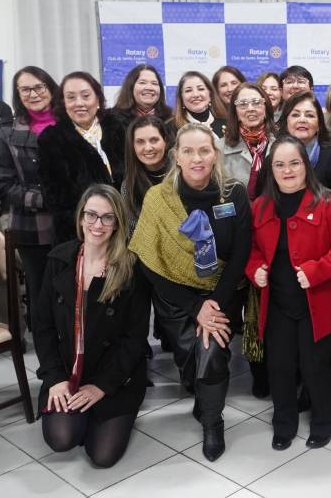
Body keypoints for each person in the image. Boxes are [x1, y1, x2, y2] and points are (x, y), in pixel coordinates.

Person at [129, 123, 251, 461]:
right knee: (190, 364)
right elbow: (148, 261)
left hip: (222, 293)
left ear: (215, 155)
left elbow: (241, 253)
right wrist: (195, 306)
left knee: (211, 350)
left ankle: (213, 422)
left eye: (204, 150)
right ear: (177, 157)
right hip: (175, 297)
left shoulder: (234, 193)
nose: (197, 158)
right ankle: (203, 400)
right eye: (188, 151)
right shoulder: (158, 198)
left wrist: (213, 303)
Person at [246, 136, 331, 450]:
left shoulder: (329, 201)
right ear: (271, 169)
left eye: (294, 163)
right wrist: (254, 269)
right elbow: (251, 249)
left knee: (316, 366)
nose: (287, 170)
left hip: (318, 303)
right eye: (279, 164)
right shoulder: (260, 206)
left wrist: (317, 270)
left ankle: (325, 421)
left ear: (306, 165)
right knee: (279, 366)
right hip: (278, 302)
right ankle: (284, 423)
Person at [32, 185, 150, 468]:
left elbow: (134, 339)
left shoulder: (131, 269)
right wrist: (55, 379)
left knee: (103, 456)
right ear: (81, 217)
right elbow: (42, 325)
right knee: (62, 438)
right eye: (92, 215)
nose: (98, 225)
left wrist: (101, 387)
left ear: (117, 223)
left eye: (108, 217)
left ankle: (108, 411)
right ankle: (81, 412)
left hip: (114, 375)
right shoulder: (59, 260)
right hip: (68, 370)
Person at [216, 82, 275, 397]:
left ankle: (269, 369)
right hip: (234, 241)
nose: (250, 109)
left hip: (273, 239)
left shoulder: (280, 144)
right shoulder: (219, 148)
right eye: (243, 104)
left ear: (266, 105)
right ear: (234, 110)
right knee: (236, 308)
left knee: (269, 308)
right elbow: (216, 196)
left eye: (256, 102)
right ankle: (229, 373)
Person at [0, 65, 60, 328]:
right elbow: (1, 185)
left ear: (50, 88)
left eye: (39, 87)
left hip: (71, 223)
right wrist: (41, 199)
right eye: (25, 89)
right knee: (40, 291)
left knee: (70, 289)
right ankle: (46, 346)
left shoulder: (69, 123)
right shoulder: (7, 132)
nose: (33, 94)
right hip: (32, 227)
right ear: (18, 94)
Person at [38, 72, 125, 244]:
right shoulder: (51, 139)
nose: (79, 103)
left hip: (125, 228)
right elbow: (54, 197)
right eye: (71, 97)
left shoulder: (120, 127)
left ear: (98, 99)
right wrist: (92, 222)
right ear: (63, 103)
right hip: (79, 233)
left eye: (86, 96)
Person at [277, 91, 331, 222]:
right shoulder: (274, 159)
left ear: (319, 124)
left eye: (309, 115)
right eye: (295, 115)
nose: (302, 119)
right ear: (286, 122)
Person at [121, 115, 170, 232]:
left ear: (165, 141)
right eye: (140, 142)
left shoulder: (182, 173)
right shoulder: (128, 186)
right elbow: (133, 232)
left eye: (154, 140)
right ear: (133, 146)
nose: (148, 148)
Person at [166, 71, 222, 138]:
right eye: (188, 91)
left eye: (201, 89)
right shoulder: (170, 128)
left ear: (210, 95)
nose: (195, 95)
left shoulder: (226, 122)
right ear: (181, 98)